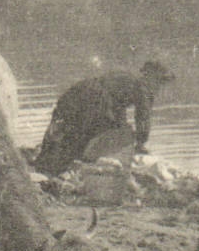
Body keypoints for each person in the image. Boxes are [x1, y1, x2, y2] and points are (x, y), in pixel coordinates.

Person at [32, 60, 175, 176]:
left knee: (65, 133)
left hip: (77, 93)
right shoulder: (143, 88)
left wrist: (122, 129)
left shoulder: (127, 79)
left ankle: (44, 167)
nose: (159, 88)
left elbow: (117, 108)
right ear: (151, 77)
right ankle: (56, 170)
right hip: (92, 100)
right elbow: (143, 118)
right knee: (81, 137)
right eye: (160, 83)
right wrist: (141, 142)